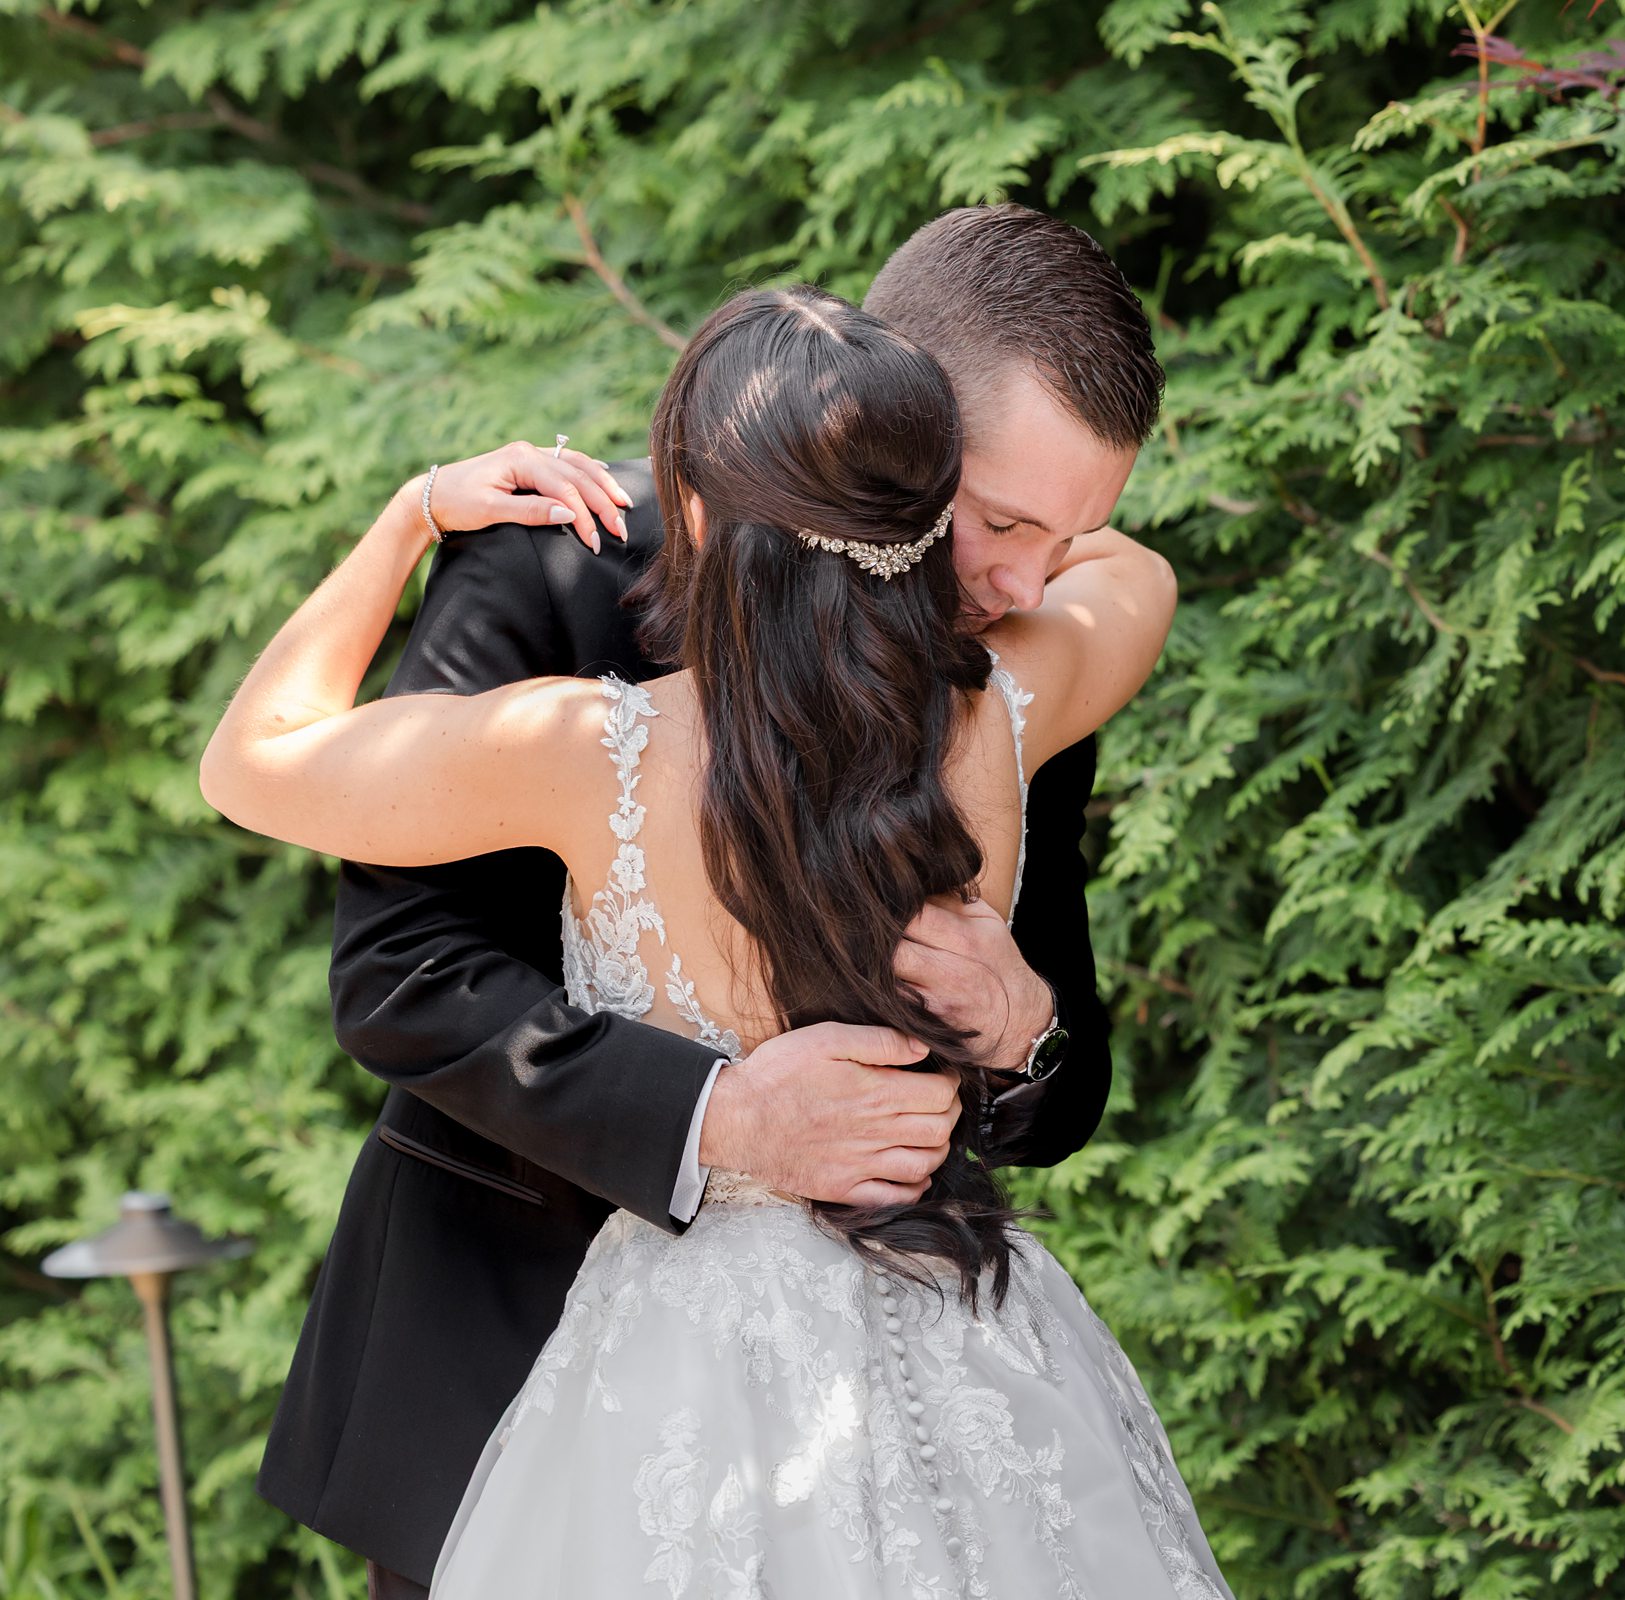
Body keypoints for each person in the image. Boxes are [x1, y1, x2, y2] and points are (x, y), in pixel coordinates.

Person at [203, 280, 1230, 1595]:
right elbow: (1137, 581)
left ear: (701, 503)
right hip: (917, 1346)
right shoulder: (1006, 702)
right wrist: (716, 1117)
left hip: (657, 1384)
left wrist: (408, 515)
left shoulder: (595, 749)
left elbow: (250, 762)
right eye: (1003, 522)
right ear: (923, 479)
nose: (1025, 575)